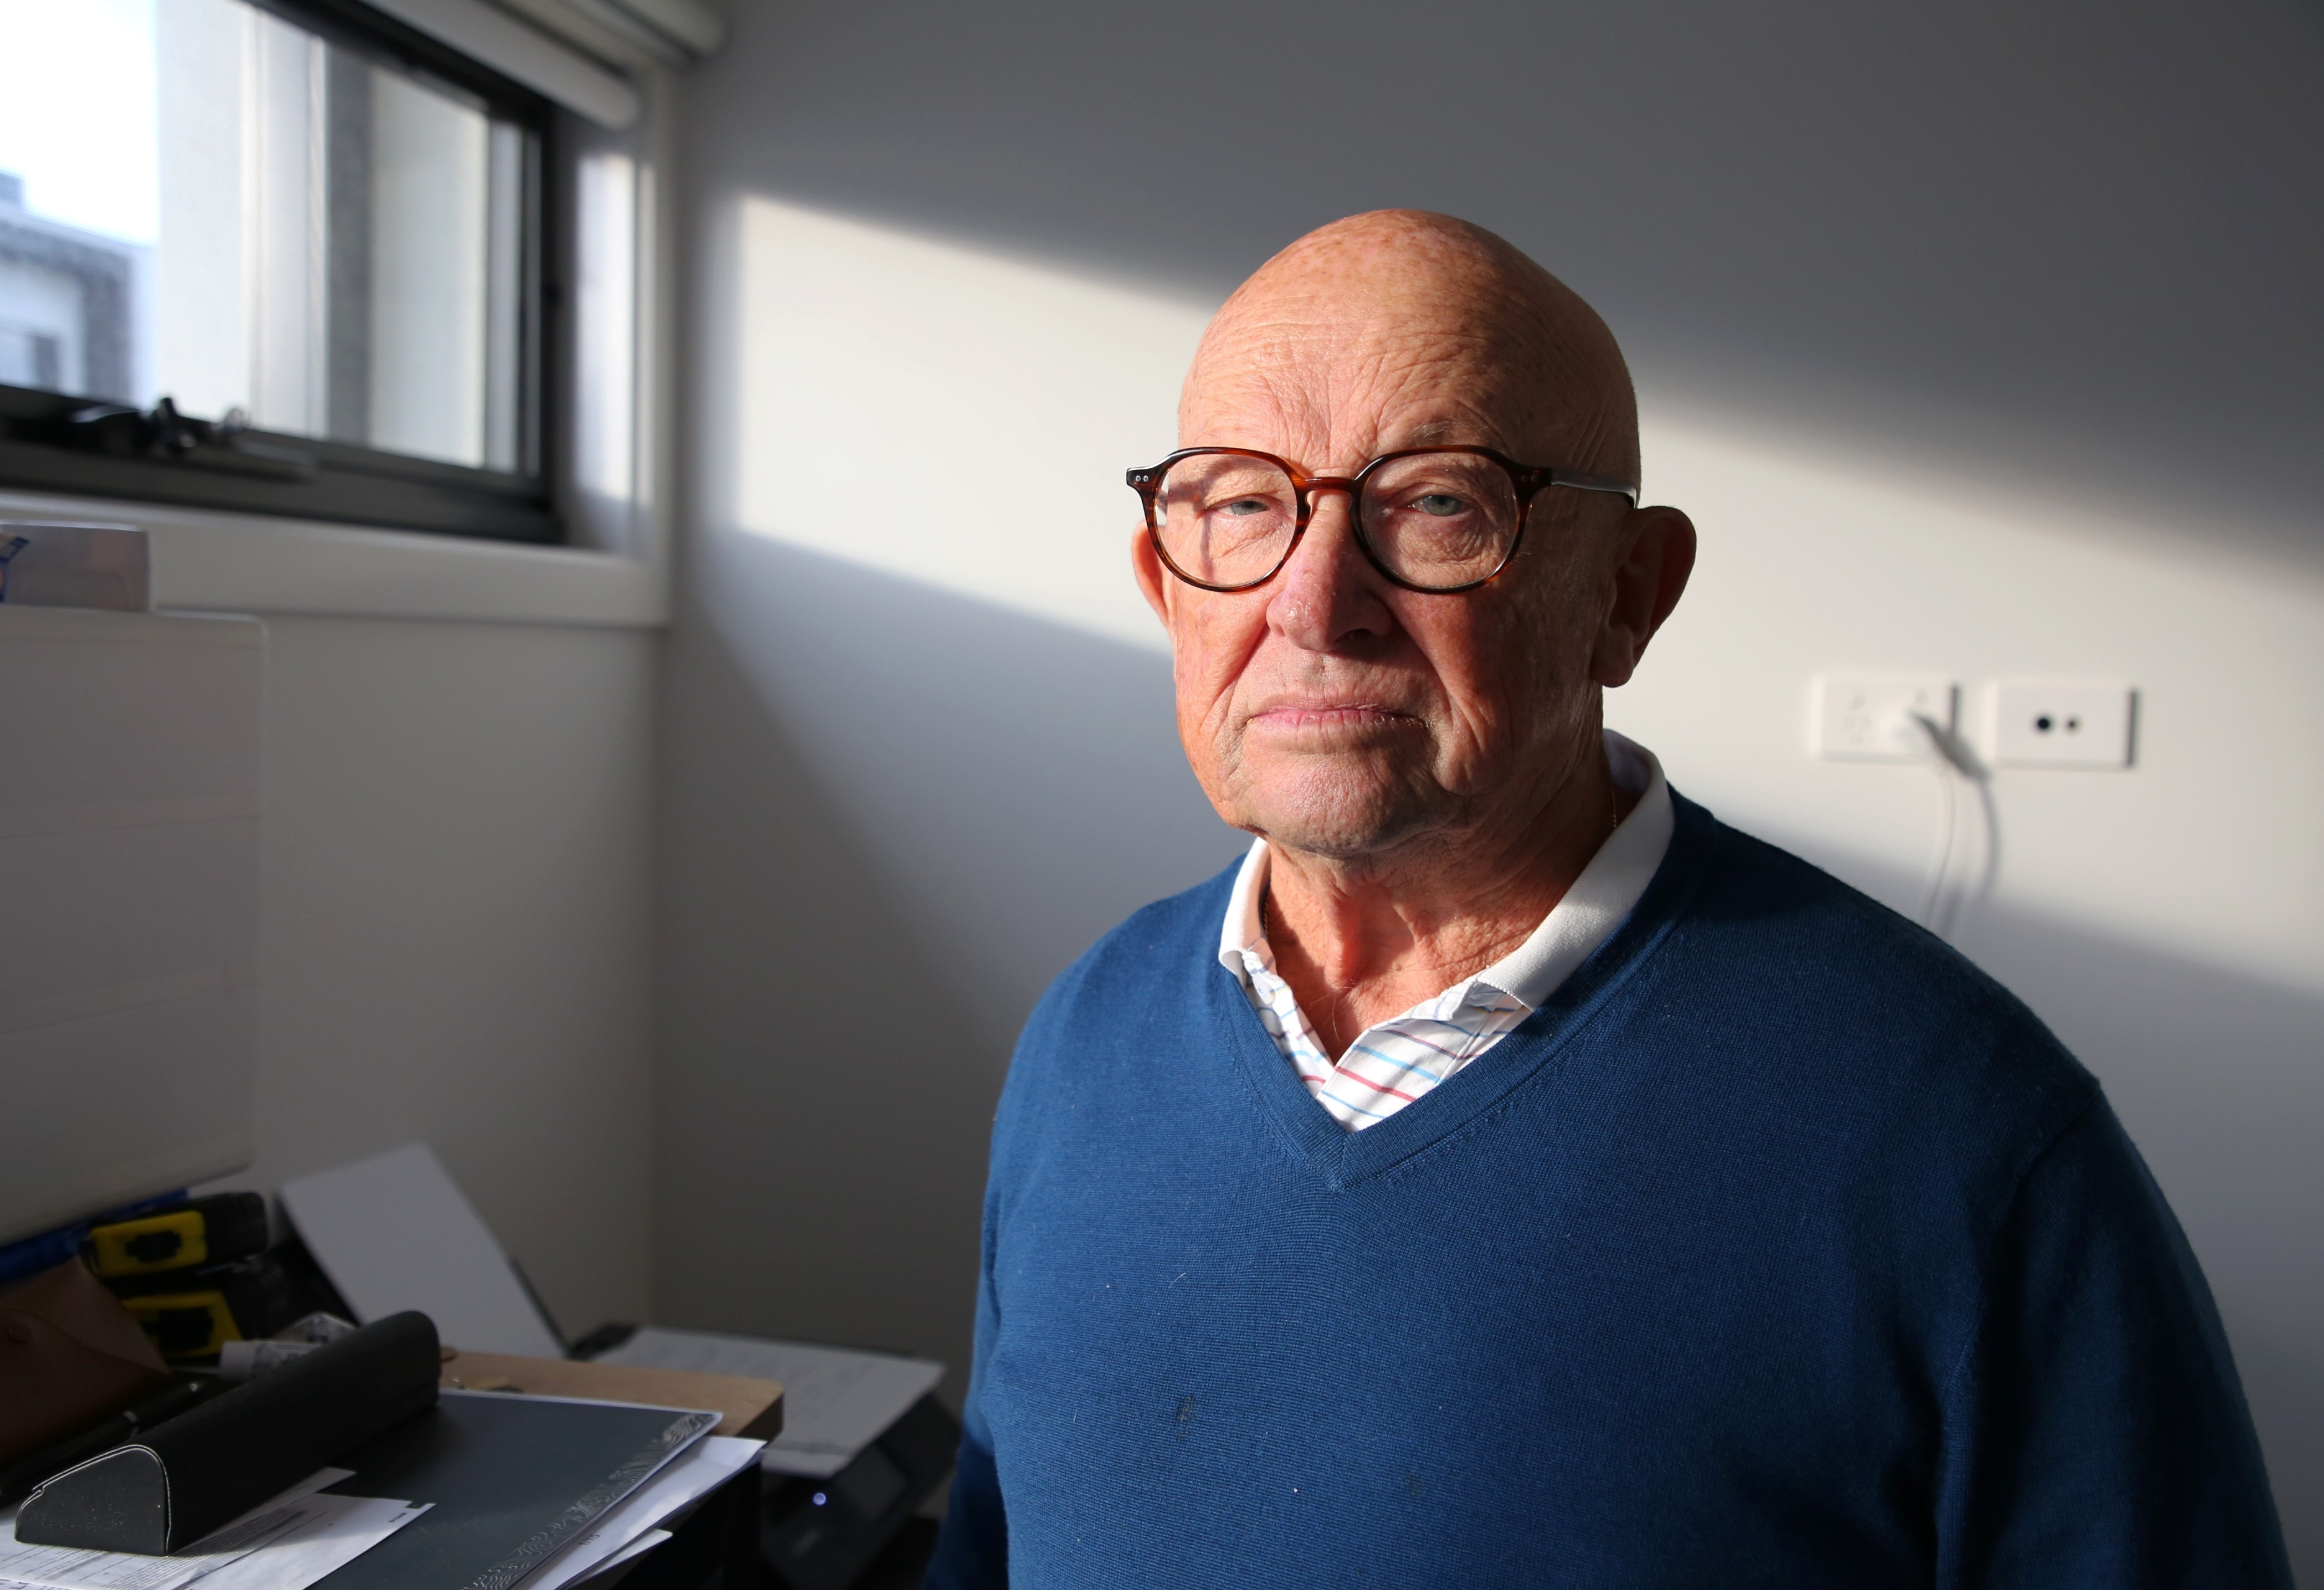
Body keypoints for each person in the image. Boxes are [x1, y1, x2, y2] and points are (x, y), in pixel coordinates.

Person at [921, 211, 2289, 1588]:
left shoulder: (1959, 1133)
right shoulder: (1087, 1038)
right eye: (1238, 504)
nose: (1315, 599)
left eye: (1437, 500)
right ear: (1166, 585)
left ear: (1629, 594)